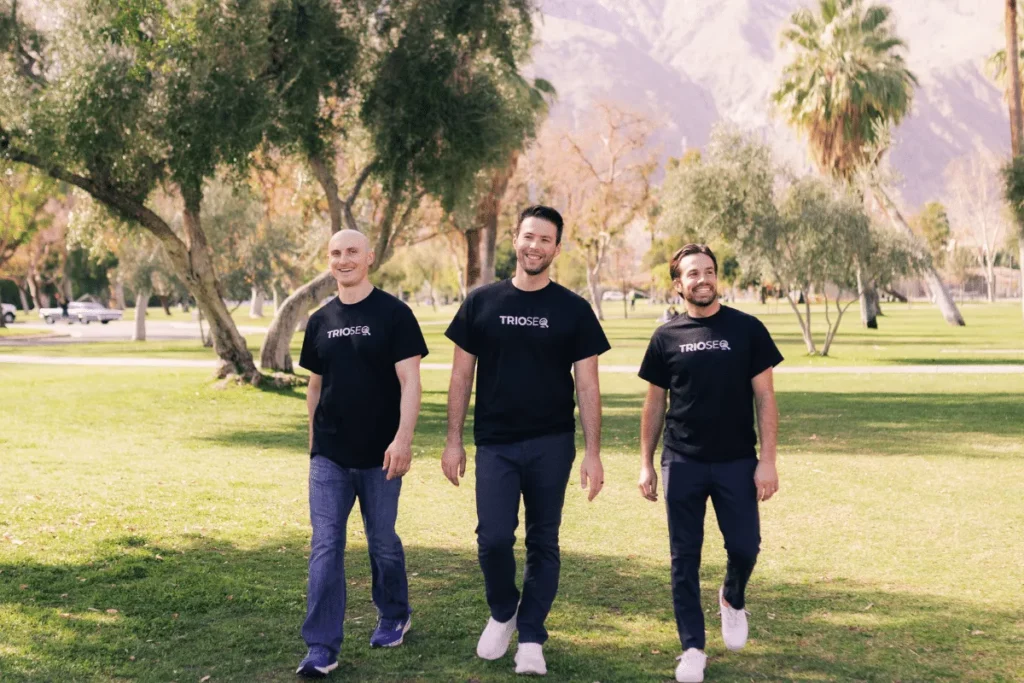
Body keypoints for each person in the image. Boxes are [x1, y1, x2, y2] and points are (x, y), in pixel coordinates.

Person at [442, 205, 610, 676]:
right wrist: (453, 441)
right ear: (515, 239)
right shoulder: (481, 302)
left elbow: (588, 385)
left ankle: (532, 636)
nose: (535, 246)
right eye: (529, 236)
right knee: (493, 538)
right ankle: (503, 612)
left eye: (545, 240)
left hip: (551, 443)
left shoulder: (574, 310)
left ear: (557, 248)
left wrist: (593, 453)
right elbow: (460, 377)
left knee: (543, 539)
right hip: (495, 442)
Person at [637, 244, 782, 683]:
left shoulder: (747, 329)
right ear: (677, 285)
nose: (702, 279)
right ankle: (692, 649)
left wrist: (768, 461)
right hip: (682, 461)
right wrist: (646, 463)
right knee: (684, 558)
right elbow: (654, 404)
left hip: (737, 460)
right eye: (692, 274)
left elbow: (765, 398)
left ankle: (732, 598)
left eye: (709, 271)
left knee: (745, 547)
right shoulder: (665, 337)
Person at [295, 229, 428, 678]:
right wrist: (314, 445)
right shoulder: (320, 320)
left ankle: (394, 613)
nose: (344, 259)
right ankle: (321, 647)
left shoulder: (394, 314)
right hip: (330, 456)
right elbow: (315, 386)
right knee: (325, 545)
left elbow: (411, 381)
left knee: (382, 542)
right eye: (336, 253)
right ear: (328, 260)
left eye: (352, 251)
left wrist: (403, 439)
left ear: (370, 257)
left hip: (381, 455)